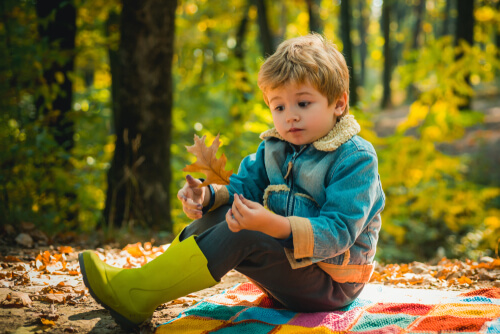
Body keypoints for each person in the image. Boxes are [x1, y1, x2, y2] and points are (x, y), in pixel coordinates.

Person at [78, 33, 385, 331]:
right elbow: (243, 188)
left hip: (332, 285)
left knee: (247, 230)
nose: (290, 116)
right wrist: (207, 195)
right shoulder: (274, 148)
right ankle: (140, 285)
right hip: (291, 270)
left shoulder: (355, 158)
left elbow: (339, 231)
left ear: (339, 103)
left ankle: (137, 294)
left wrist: (272, 225)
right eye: (279, 107)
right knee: (222, 214)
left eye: (303, 104)